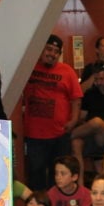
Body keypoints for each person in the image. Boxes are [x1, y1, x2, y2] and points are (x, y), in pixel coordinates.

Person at [23, 34, 82, 192]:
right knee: (36, 175)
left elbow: (76, 99)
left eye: (56, 51)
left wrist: (74, 120)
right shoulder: (28, 68)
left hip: (59, 134)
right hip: (34, 134)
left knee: (60, 176)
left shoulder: (67, 71)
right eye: (49, 49)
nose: (52, 54)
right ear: (41, 49)